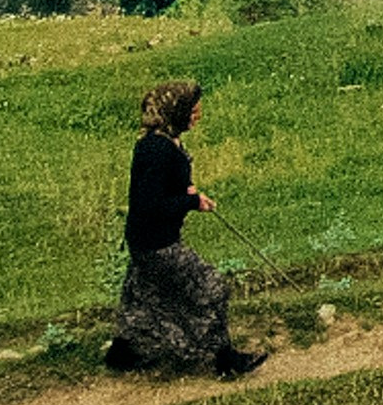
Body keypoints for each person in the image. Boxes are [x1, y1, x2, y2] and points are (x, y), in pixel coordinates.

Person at [104, 81, 266, 378]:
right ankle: (224, 360)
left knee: (143, 296)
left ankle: (123, 353)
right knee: (211, 287)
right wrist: (190, 201)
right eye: (193, 112)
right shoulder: (157, 150)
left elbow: (160, 189)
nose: (198, 117)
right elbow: (150, 204)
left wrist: (186, 193)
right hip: (157, 242)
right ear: (175, 113)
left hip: (145, 239)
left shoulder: (162, 141)